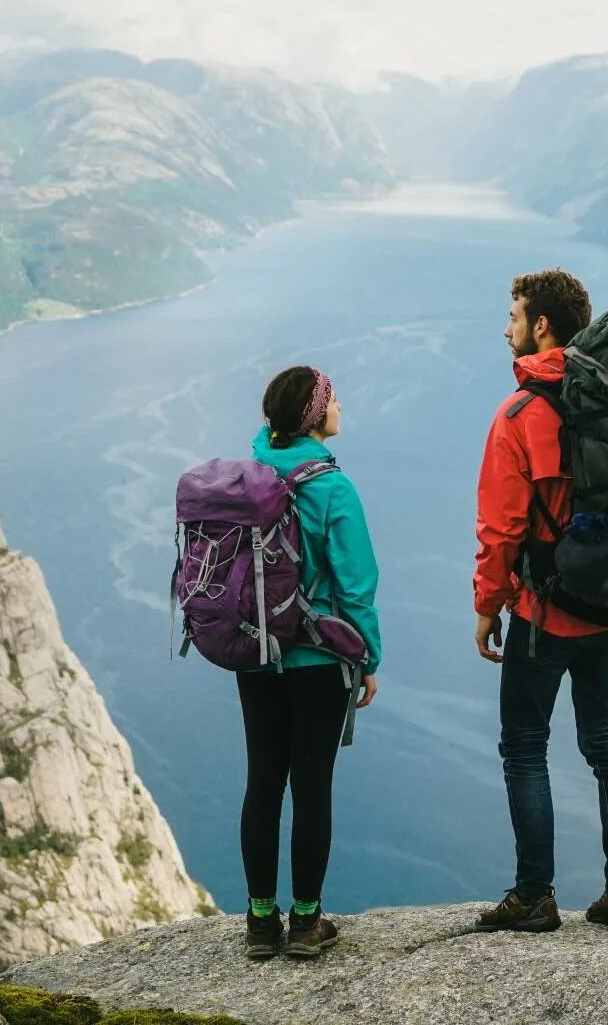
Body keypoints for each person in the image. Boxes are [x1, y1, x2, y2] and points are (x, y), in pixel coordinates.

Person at [471, 269, 608, 934]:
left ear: (541, 325)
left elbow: (502, 528)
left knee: (524, 746)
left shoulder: (519, 414)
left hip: (543, 616)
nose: (506, 326)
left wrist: (489, 604)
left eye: (513, 315)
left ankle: (535, 894)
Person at [239, 365, 382, 959]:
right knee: (312, 785)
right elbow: (356, 584)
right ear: (314, 415)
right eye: (332, 399)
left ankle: (259, 920)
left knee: (262, 781)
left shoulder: (250, 470)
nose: (340, 406)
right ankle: (305, 921)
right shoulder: (332, 487)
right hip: (318, 659)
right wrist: (368, 655)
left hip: (255, 650)